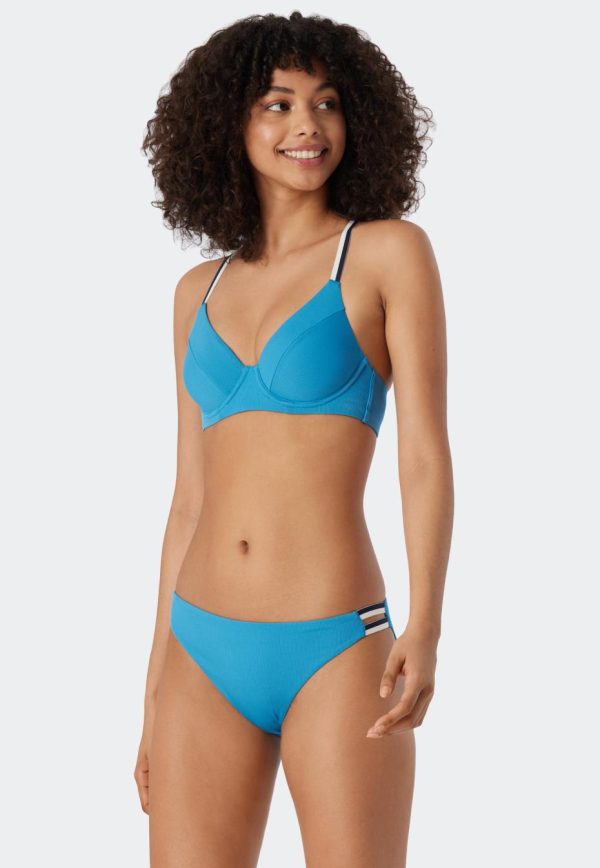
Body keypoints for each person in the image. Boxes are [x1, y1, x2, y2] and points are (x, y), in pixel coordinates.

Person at [136, 12, 453, 867]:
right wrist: (154, 687)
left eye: (327, 102)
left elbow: (424, 456)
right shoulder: (197, 291)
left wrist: (426, 625)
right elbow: (188, 500)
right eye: (277, 104)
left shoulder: (385, 254)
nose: (307, 125)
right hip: (200, 647)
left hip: (336, 645)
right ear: (229, 124)